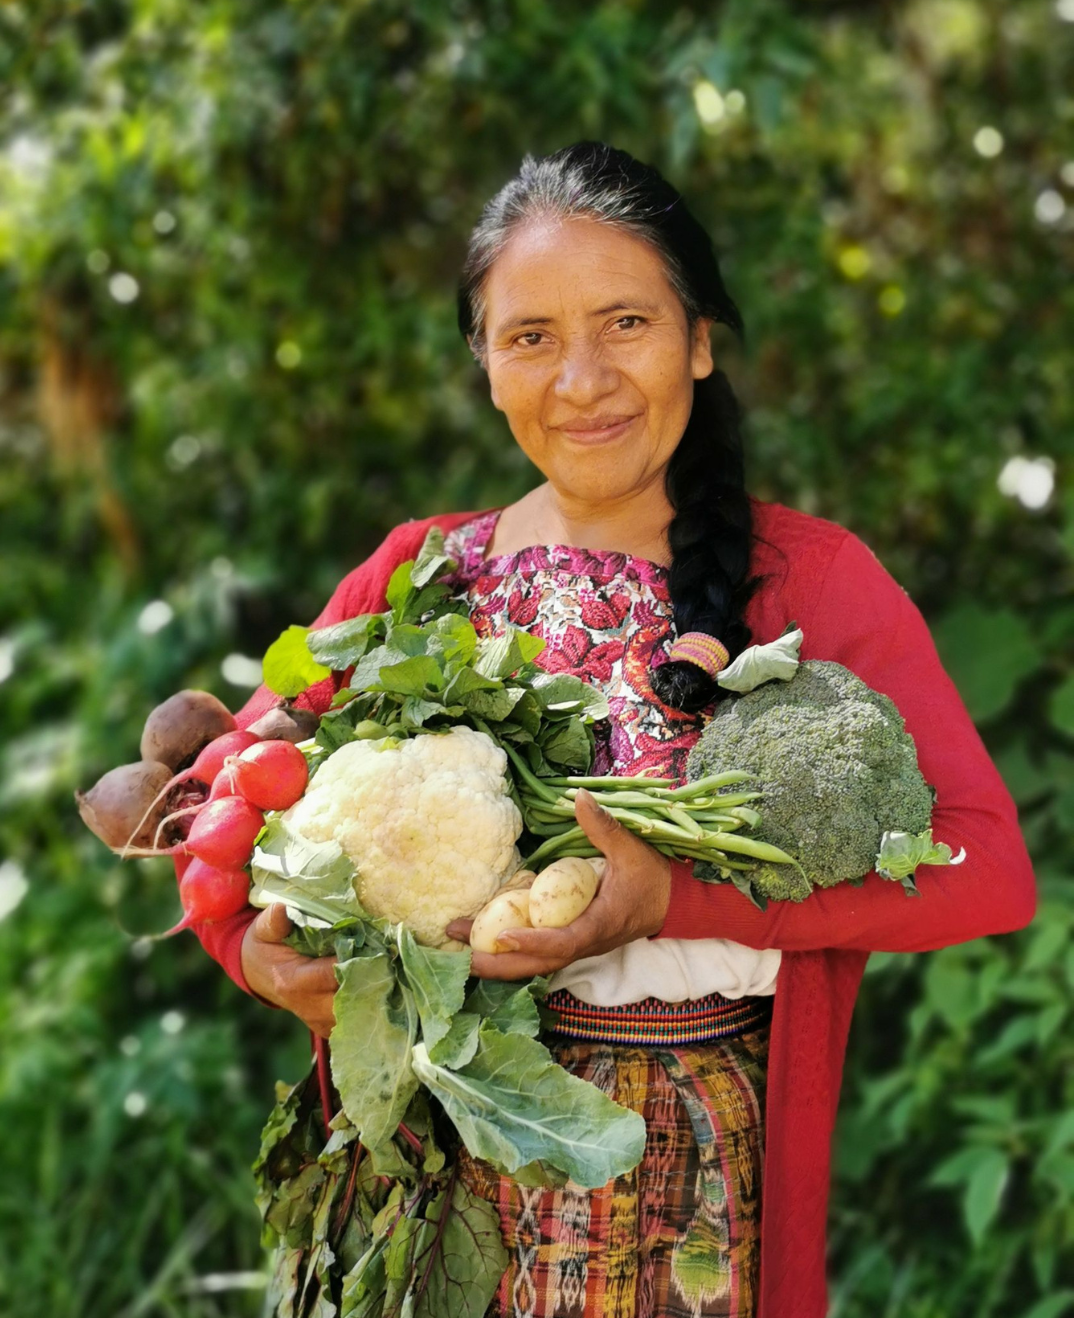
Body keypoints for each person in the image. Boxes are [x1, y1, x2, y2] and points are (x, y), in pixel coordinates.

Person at [188, 142, 1036, 1318]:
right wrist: (256, 955)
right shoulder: (419, 578)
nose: (581, 378)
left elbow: (988, 870)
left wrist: (676, 903)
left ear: (697, 340)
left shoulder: (815, 583)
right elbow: (229, 814)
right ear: (485, 363)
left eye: (625, 322)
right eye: (530, 335)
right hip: (435, 1180)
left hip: (689, 1167)